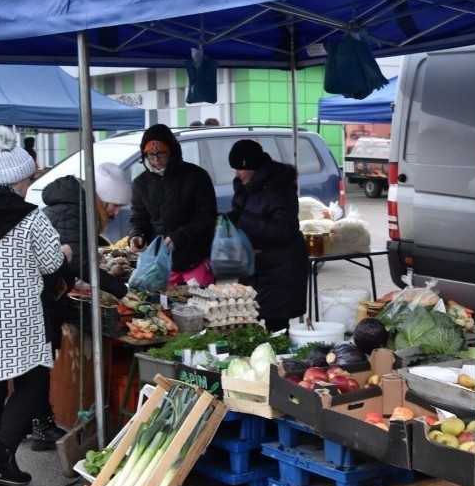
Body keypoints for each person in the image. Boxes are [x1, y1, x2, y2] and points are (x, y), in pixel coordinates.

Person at [0, 125, 70, 486]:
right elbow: (53, 264)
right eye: (27, 178)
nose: (28, 184)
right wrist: (66, 252)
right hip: (15, 314)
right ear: (16, 179)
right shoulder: (31, 217)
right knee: (33, 380)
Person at [32, 162, 136, 451]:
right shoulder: (73, 210)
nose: (116, 212)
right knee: (41, 359)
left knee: (40, 358)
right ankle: (41, 426)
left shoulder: (75, 206)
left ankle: (36, 421)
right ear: (101, 199)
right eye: (114, 205)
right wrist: (120, 290)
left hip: (48, 291)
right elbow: (79, 261)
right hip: (43, 293)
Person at [227, 139, 307, 331]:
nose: (236, 173)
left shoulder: (280, 188)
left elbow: (283, 230)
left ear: (253, 166)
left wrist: (242, 217)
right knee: (248, 319)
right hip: (256, 266)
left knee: (276, 326)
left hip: (280, 268)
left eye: (240, 168)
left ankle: (280, 361)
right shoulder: (244, 186)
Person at [128, 124, 217, 286]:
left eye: (161, 153)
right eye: (151, 154)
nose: (156, 159)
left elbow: (207, 218)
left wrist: (177, 236)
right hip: (162, 263)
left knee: (201, 306)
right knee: (164, 308)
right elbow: (139, 217)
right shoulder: (140, 183)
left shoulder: (196, 177)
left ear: (172, 152)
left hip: (196, 257)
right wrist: (137, 235)